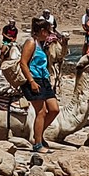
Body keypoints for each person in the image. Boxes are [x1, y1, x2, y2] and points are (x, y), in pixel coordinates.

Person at [20, 16, 59, 154]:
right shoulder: (31, 43)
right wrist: (31, 81)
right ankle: (37, 144)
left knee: (54, 109)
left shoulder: (41, 44)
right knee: (41, 112)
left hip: (44, 79)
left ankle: (38, 134)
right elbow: (23, 63)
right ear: (42, 31)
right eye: (47, 31)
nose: (49, 34)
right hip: (34, 79)